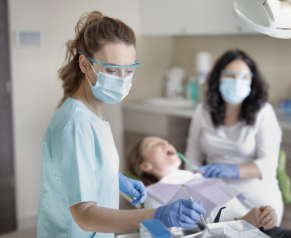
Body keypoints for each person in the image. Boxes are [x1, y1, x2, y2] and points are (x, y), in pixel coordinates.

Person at [37, 11, 205, 238]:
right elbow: (85, 215)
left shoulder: (94, 115)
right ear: (85, 64)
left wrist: (113, 178)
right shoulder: (76, 124)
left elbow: (80, 167)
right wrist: (157, 215)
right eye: (111, 70)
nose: (122, 79)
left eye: (128, 71)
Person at [127, 136, 291, 238]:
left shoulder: (200, 176)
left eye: (164, 141)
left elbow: (244, 208)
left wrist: (266, 215)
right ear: (145, 166)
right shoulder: (154, 197)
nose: (165, 143)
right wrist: (241, 224)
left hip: (269, 232)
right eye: (154, 145)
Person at [185, 49, 284, 225]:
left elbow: (268, 164)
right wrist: (194, 182)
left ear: (252, 81)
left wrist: (232, 170)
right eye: (230, 75)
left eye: (243, 77)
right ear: (218, 78)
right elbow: (192, 156)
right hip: (214, 191)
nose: (237, 81)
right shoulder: (203, 110)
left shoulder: (264, 112)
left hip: (255, 193)